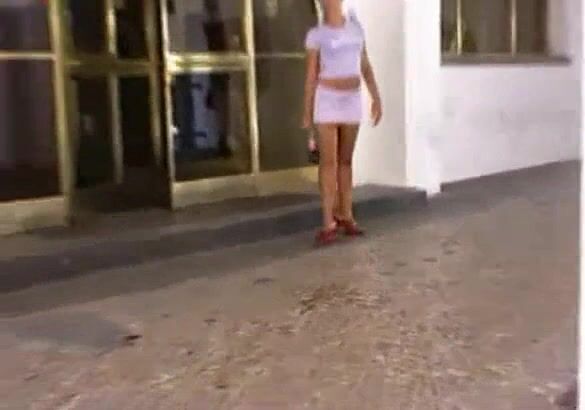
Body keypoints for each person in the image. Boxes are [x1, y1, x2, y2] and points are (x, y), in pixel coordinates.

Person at [302, 0, 382, 246]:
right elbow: (311, 75)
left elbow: (364, 63)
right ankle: (328, 221)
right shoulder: (316, 35)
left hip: (351, 99)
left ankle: (346, 214)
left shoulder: (356, 28)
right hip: (327, 99)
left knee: (346, 160)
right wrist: (307, 112)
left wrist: (376, 96)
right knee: (329, 162)